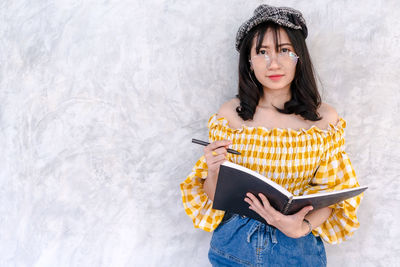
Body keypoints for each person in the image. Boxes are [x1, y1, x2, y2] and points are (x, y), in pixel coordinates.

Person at [180, 4, 364, 266]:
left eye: (284, 50)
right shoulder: (231, 114)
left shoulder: (324, 120)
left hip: (297, 251)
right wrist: (213, 171)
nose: (273, 63)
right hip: (233, 249)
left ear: (299, 56)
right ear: (249, 61)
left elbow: (334, 194)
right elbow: (214, 197)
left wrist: (302, 226)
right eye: (262, 52)